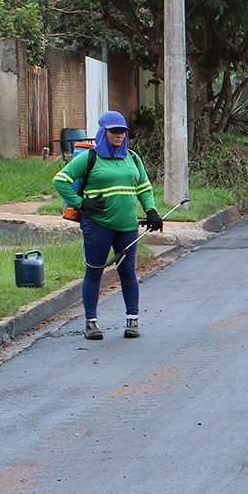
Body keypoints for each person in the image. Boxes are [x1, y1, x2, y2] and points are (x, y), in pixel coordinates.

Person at [53, 110, 162, 341]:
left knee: (128, 272)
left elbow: (144, 187)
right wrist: (81, 203)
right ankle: (91, 323)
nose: (119, 136)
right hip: (97, 226)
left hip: (127, 227)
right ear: (103, 133)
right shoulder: (89, 158)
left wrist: (151, 211)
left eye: (123, 131)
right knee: (94, 271)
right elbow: (60, 180)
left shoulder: (132, 158)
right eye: (114, 131)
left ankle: (132, 320)